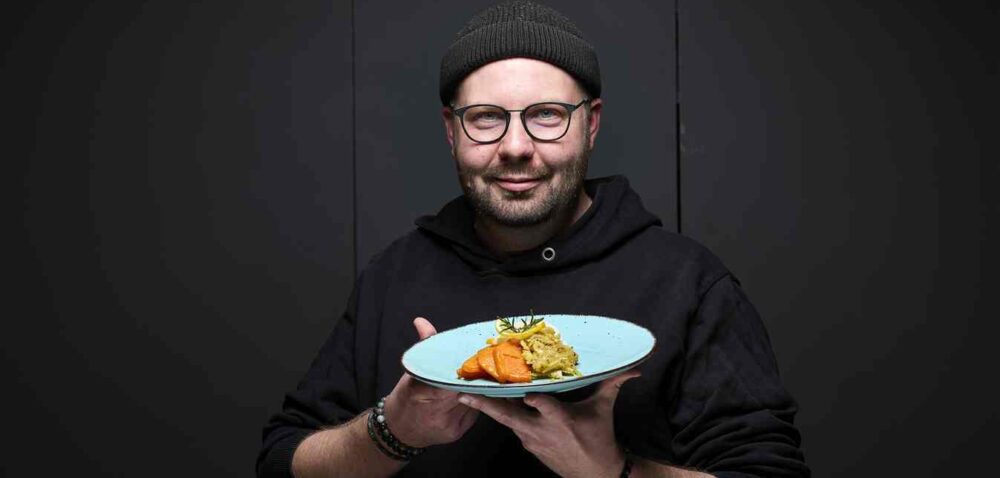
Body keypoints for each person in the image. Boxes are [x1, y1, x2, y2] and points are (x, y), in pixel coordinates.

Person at [257, 1, 809, 477]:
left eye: (546, 115)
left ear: (590, 124)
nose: (516, 146)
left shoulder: (689, 283)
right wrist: (392, 431)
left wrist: (614, 471)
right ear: (451, 131)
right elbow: (284, 461)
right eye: (486, 117)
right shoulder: (393, 275)